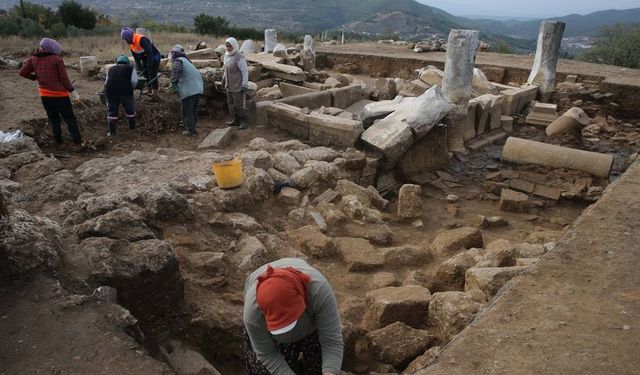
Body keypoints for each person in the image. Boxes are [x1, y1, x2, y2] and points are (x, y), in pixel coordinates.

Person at [243, 258, 343, 375]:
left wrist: (329, 372)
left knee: (318, 364)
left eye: (289, 321)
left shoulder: (318, 291)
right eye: (280, 324)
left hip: (311, 327)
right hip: (274, 342)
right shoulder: (253, 316)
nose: (288, 328)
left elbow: (331, 341)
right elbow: (267, 353)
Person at [18, 38, 82, 149]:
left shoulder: (33, 58)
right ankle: (77, 143)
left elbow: (22, 72)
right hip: (60, 96)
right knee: (70, 120)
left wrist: (34, 77)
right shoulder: (56, 59)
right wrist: (72, 91)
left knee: (54, 120)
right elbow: (64, 79)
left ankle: (60, 143)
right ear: (52, 48)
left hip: (45, 96)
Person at [169, 45, 204, 136]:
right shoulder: (187, 61)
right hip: (197, 89)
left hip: (189, 90)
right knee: (192, 110)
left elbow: (175, 74)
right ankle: (193, 128)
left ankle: (190, 131)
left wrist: (172, 83)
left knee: (187, 111)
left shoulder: (178, 61)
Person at [120, 27, 161, 98]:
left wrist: (149, 64)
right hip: (145, 58)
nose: (125, 41)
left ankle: (155, 93)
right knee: (145, 73)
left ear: (128, 37)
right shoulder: (131, 43)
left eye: (125, 39)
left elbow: (149, 52)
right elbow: (136, 57)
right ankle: (149, 89)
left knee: (152, 73)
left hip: (154, 57)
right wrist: (139, 67)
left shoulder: (141, 39)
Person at [104, 55, 138, 137]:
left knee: (112, 111)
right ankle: (132, 129)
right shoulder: (130, 68)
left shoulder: (111, 69)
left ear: (117, 62)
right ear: (127, 62)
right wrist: (130, 88)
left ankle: (112, 133)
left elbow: (106, 82)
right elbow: (135, 81)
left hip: (110, 91)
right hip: (125, 91)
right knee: (130, 110)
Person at [223, 37, 250, 130]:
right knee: (230, 104)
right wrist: (223, 79)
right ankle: (235, 120)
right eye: (227, 46)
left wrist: (244, 84)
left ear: (234, 46)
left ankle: (243, 121)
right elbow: (225, 69)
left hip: (237, 85)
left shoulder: (239, 57)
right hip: (229, 85)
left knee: (238, 105)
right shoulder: (226, 55)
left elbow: (245, 71)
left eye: (230, 46)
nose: (228, 48)